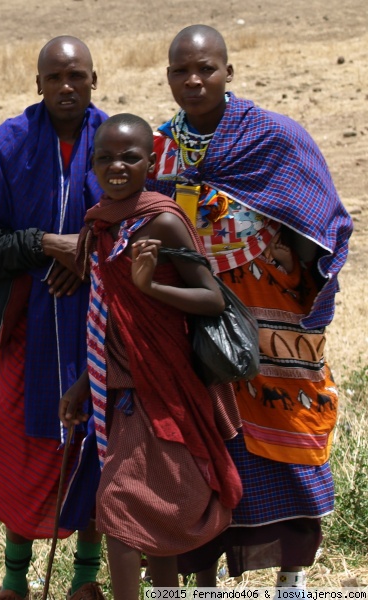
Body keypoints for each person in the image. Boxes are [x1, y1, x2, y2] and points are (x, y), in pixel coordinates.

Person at [146, 25, 353, 589]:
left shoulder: (275, 137)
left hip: (271, 315)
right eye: (181, 71)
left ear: (228, 72)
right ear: (167, 77)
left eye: (206, 68)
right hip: (193, 313)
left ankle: (292, 575)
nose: (194, 80)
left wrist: (299, 267)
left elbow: (321, 214)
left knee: (284, 426)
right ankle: (202, 573)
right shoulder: (159, 148)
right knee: (205, 437)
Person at [59, 113, 243, 600]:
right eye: (105, 158)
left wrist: (152, 285)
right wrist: (83, 384)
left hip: (167, 384)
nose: (116, 166)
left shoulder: (162, 220)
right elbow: (106, 316)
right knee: (147, 507)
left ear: (150, 161)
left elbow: (212, 298)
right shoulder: (100, 223)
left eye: (130, 157)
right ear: (92, 165)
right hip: (122, 389)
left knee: (120, 508)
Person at [0, 36, 108, 600]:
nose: (67, 86)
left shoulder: (116, 140)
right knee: (19, 445)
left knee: (96, 442)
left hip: (99, 327)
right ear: (37, 83)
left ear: (96, 79)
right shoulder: (6, 147)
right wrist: (45, 245)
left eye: (78, 76)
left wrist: (85, 255)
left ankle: (86, 580)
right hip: (30, 329)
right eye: (55, 77)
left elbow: (144, 223)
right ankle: (15, 582)